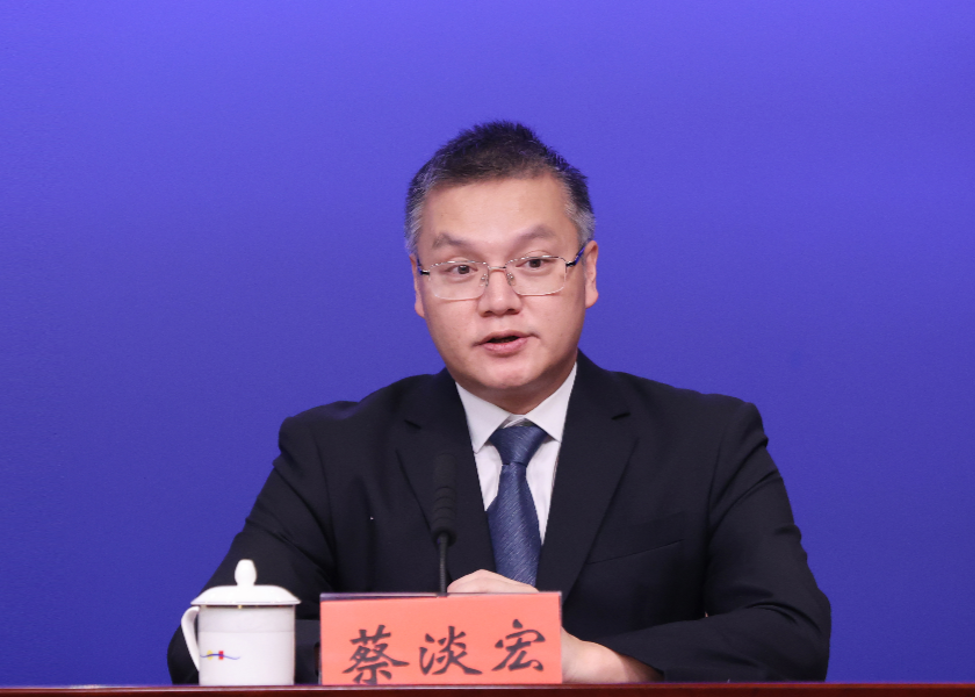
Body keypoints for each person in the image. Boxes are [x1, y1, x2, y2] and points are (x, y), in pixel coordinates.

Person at [168, 121, 831, 683]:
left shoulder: (705, 440)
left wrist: (589, 662)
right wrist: (454, 648)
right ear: (419, 288)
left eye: (533, 263)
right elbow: (203, 648)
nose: (498, 299)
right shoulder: (334, 453)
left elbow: (791, 635)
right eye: (460, 269)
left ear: (588, 271)